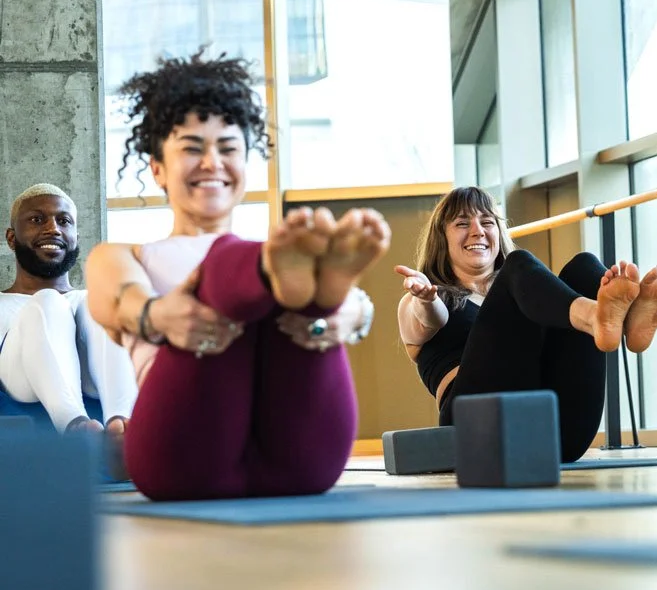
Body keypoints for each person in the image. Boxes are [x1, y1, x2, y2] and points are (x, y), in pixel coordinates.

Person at [86, 51, 389, 501]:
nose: (212, 163)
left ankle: (317, 299)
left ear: (246, 166)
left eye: (228, 149)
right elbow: (118, 298)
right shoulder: (126, 255)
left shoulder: (293, 258)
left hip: (302, 463)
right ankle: (291, 287)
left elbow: (353, 309)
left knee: (300, 301)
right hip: (181, 460)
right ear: (157, 169)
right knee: (231, 264)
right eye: (192, 148)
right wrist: (157, 314)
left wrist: (348, 311)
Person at [396, 186, 657, 463]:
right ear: (442, 237)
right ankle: (598, 317)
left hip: (561, 434)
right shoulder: (423, 298)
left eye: (487, 221)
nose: (478, 231)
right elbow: (429, 318)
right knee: (519, 267)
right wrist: (426, 299)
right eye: (462, 223)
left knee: (585, 268)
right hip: (479, 429)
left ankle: (620, 319)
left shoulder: (529, 291)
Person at [0, 184, 137, 434]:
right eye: (37, 219)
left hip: (96, 384)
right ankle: (76, 427)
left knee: (98, 299)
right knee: (48, 301)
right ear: (12, 238)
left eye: (64, 221)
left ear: (76, 238)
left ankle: (121, 424)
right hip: (18, 387)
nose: (53, 228)